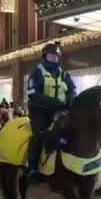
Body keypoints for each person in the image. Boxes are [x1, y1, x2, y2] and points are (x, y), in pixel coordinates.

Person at [25, 42, 76, 183]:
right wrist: (56, 103)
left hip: (61, 111)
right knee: (39, 136)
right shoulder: (36, 73)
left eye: (56, 56)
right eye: (51, 55)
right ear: (44, 56)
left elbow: (71, 90)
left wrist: (71, 100)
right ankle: (32, 169)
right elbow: (33, 94)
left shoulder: (65, 75)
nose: (54, 58)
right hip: (40, 112)